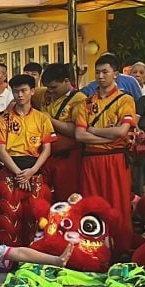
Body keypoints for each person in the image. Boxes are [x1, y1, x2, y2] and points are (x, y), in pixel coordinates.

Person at [75, 54, 137, 254]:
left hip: (116, 159)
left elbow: (121, 132)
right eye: (98, 72)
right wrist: (108, 138)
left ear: (116, 74)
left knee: (118, 203)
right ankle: (95, 248)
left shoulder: (125, 100)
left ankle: (121, 250)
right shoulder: (87, 102)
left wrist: (93, 131)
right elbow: (79, 135)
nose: (101, 76)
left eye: (105, 72)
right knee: (92, 203)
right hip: (91, 160)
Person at [0, 74, 57, 247]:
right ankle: (9, 255)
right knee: (9, 215)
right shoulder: (3, 119)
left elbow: (47, 149)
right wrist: (20, 174)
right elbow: (0, 149)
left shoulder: (42, 118)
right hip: (11, 168)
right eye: (16, 91)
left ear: (32, 91)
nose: (19, 95)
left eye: (24, 90)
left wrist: (32, 171)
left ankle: (36, 252)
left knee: (36, 214)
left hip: (34, 169)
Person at [39, 64, 88, 201]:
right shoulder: (44, 94)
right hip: (47, 156)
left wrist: (50, 121)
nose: (50, 90)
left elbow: (77, 130)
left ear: (67, 81)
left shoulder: (80, 99)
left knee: (67, 198)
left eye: (54, 87)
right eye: (48, 87)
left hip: (69, 158)